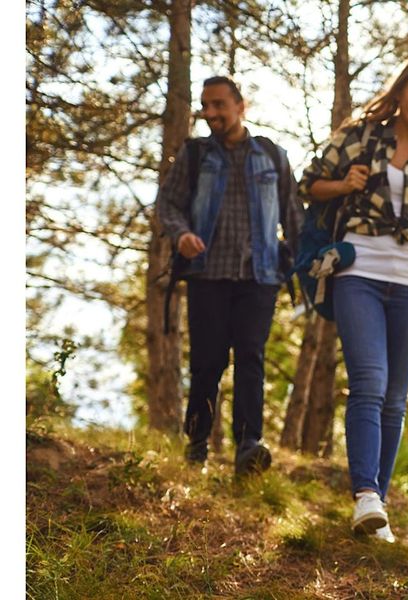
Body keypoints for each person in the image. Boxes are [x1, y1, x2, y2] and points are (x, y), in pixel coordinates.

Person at [299, 58, 408, 544]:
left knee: (395, 398)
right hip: (359, 270)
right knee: (369, 381)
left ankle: (378, 511)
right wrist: (343, 184)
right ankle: (366, 493)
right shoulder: (362, 135)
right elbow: (309, 183)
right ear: (402, 91)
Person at [156, 75, 301, 476]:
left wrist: (292, 260)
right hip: (208, 275)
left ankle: (248, 447)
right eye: (206, 106)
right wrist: (182, 233)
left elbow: (294, 215)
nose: (212, 113)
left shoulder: (272, 155)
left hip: (260, 276)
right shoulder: (196, 155)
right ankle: (197, 445)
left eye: (220, 104)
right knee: (207, 361)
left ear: (242, 105)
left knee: (251, 358)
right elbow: (168, 204)